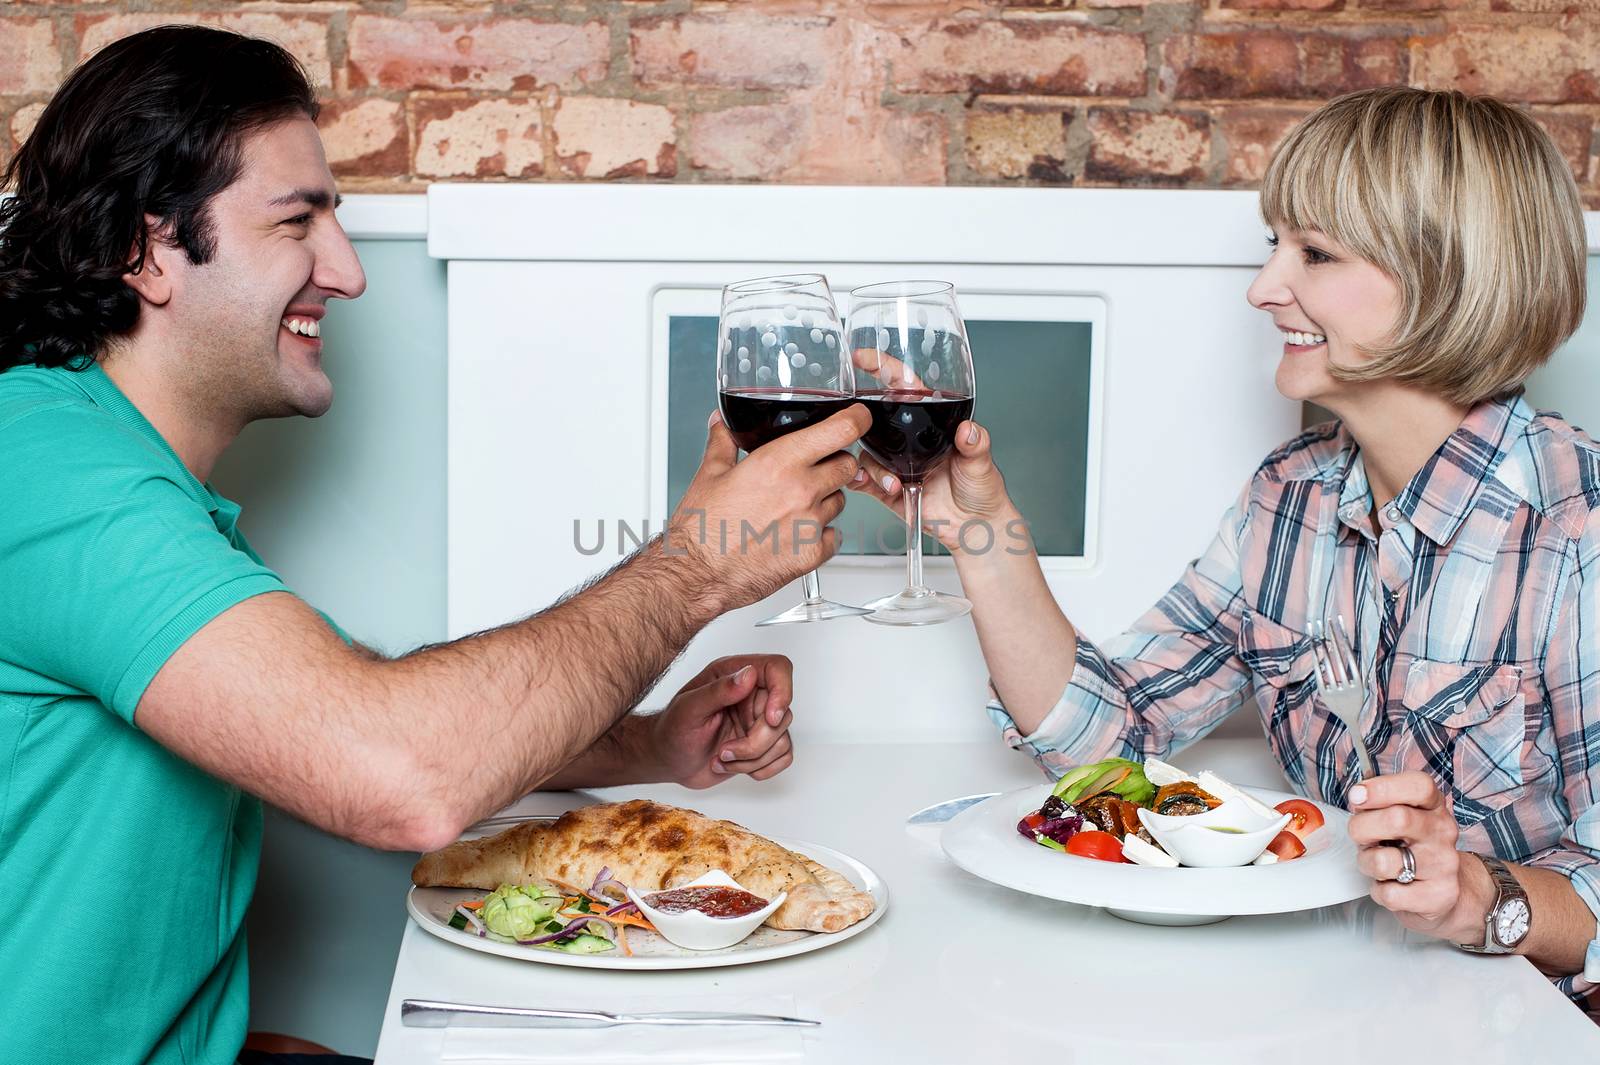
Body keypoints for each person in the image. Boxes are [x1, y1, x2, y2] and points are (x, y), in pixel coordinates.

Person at [0, 26, 868, 1065]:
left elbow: (333, 706)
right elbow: (394, 769)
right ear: (146, 252)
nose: (350, 273)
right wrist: (697, 567)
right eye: (299, 222)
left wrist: (646, 744)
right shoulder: (44, 470)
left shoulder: (129, 483)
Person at [850, 87, 1600, 1013]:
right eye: (1272, 245)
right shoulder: (1288, 498)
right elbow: (1108, 742)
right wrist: (981, 525)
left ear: (1448, 276)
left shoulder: (1579, 535)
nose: (1262, 287)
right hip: (1333, 999)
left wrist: (1482, 899)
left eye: (1314, 253)